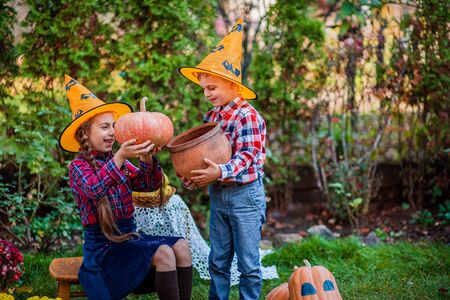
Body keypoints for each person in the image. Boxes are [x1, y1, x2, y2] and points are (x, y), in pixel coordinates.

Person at [58, 75, 192, 300]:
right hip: (104, 249)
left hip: (129, 237)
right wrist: (120, 157)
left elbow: (148, 185)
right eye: (104, 127)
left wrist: (146, 159)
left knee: (180, 246)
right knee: (164, 253)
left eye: (113, 126)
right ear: (84, 134)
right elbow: (94, 189)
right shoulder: (78, 167)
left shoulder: (118, 160)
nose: (112, 132)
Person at [177, 18, 267, 300]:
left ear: (234, 85)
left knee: (249, 263)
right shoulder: (212, 117)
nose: (207, 94)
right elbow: (205, 156)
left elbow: (248, 156)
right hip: (219, 196)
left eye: (212, 88)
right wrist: (194, 176)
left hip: (245, 198)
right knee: (218, 259)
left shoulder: (248, 116)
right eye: (204, 88)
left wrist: (220, 171)